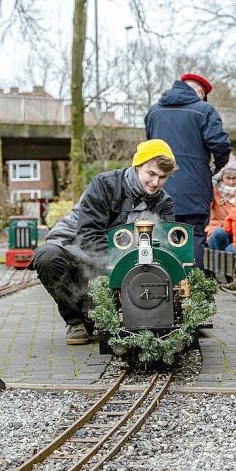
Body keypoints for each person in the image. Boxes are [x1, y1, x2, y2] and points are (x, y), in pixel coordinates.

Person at [33, 140, 177, 345]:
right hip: (73, 242)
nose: (155, 182)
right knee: (47, 258)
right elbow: (89, 235)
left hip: (116, 255)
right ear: (138, 166)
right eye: (151, 174)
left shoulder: (164, 203)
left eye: (162, 177)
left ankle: (95, 316)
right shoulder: (104, 184)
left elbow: (164, 247)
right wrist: (120, 265)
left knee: (98, 319)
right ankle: (75, 321)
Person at [145, 73, 232, 270]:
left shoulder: (153, 112)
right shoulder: (204, 110)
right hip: (194, 190)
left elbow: (148, 150)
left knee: (162, 238)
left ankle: (164, 291)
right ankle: (193, 293)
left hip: (158, 187)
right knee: (193, 238)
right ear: (199, 92)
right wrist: (214, 168)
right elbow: (221, 145)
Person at [206, 157, 236, 251]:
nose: (231, 182)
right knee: (220, 233)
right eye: (228, 178)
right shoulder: (215, 190)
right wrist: (211, 184)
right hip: (217, 228)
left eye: (234, 178)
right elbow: (207, 206)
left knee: (233, 248)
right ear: (221, 177)